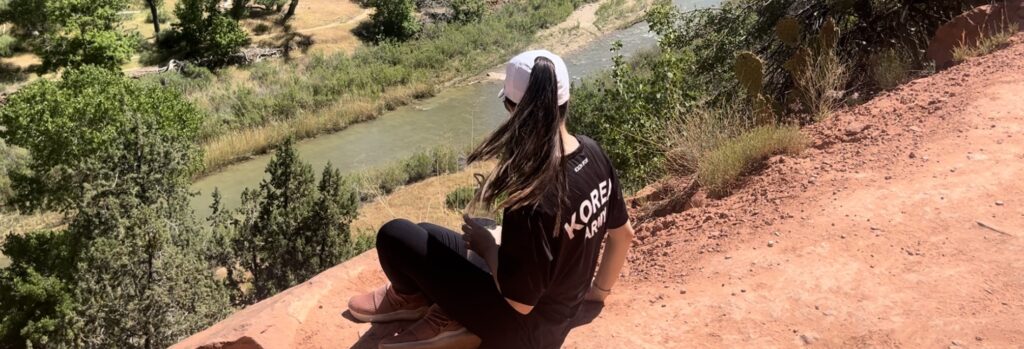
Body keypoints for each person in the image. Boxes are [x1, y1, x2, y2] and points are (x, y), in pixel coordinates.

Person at [347, 50, 635, 349]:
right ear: (565, 100)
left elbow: (519, 302)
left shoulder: (530, 194)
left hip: (522, 331)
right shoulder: (593, 153)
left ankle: (430, 308)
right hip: (555, 312)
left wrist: (488, 248)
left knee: (394, 234)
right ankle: (425, 302)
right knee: (427, 234)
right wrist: (598, 293)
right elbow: (623, 236)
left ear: (513, 109)